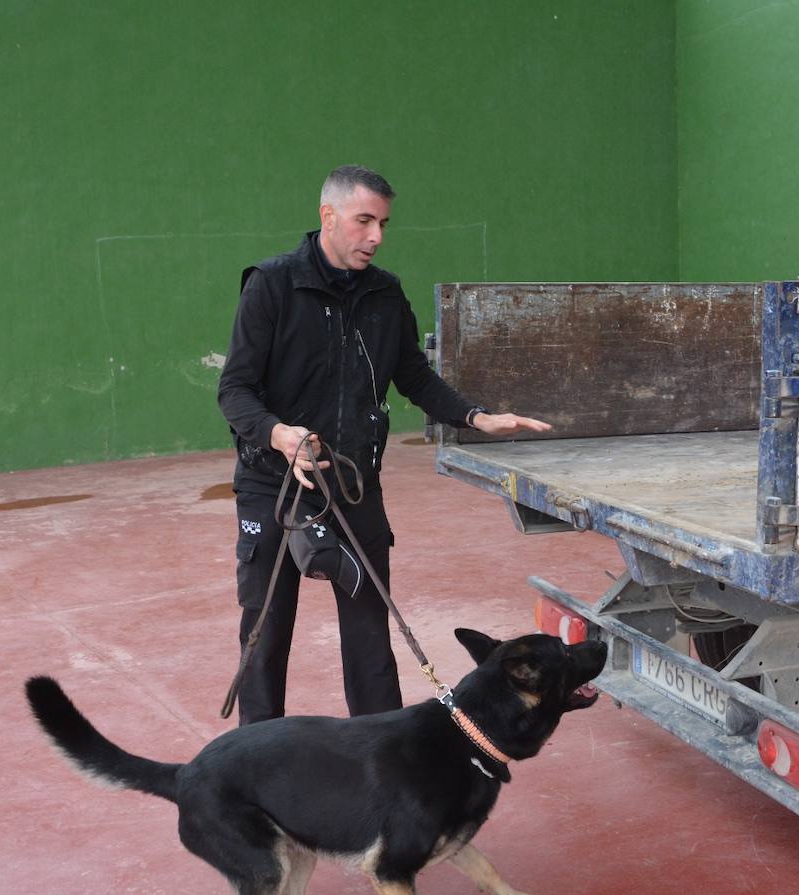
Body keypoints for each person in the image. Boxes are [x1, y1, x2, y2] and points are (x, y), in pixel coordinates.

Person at [217, 164, 550, 724]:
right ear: (328, 216)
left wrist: (477, 417)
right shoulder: (272, 285)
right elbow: (234, 390)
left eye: (383, 224)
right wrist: (280, 435)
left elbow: (413, 376)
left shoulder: (385, 293)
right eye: (364, 221)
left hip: (353, 487)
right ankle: (256, 759)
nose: (376, 236)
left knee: (371, 640)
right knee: (265, 637)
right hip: (272, 486)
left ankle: (381, 756)